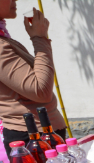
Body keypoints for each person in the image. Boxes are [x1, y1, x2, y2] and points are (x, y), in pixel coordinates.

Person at [0, 4, 66, 153]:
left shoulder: (4, 39)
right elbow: (40, 91)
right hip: (32, 137)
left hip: (39, 133)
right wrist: (40, 38)